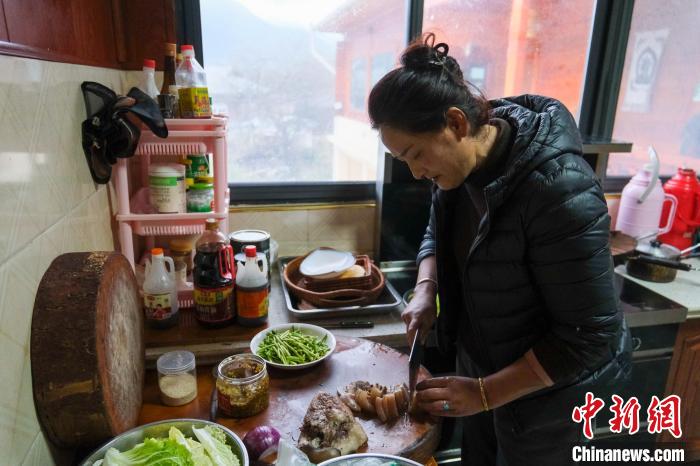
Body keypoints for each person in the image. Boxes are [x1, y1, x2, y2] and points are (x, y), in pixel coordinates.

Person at [368, 34, 631, 465]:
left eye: (415, 154)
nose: (415, 172)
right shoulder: (457, 169)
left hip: (549, 400)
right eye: (404, 161)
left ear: (456, 124)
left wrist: (486, 392)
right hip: (483, 372)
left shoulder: (559, 189)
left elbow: (589, 336)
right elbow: (437, 229)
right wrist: (426, 289)